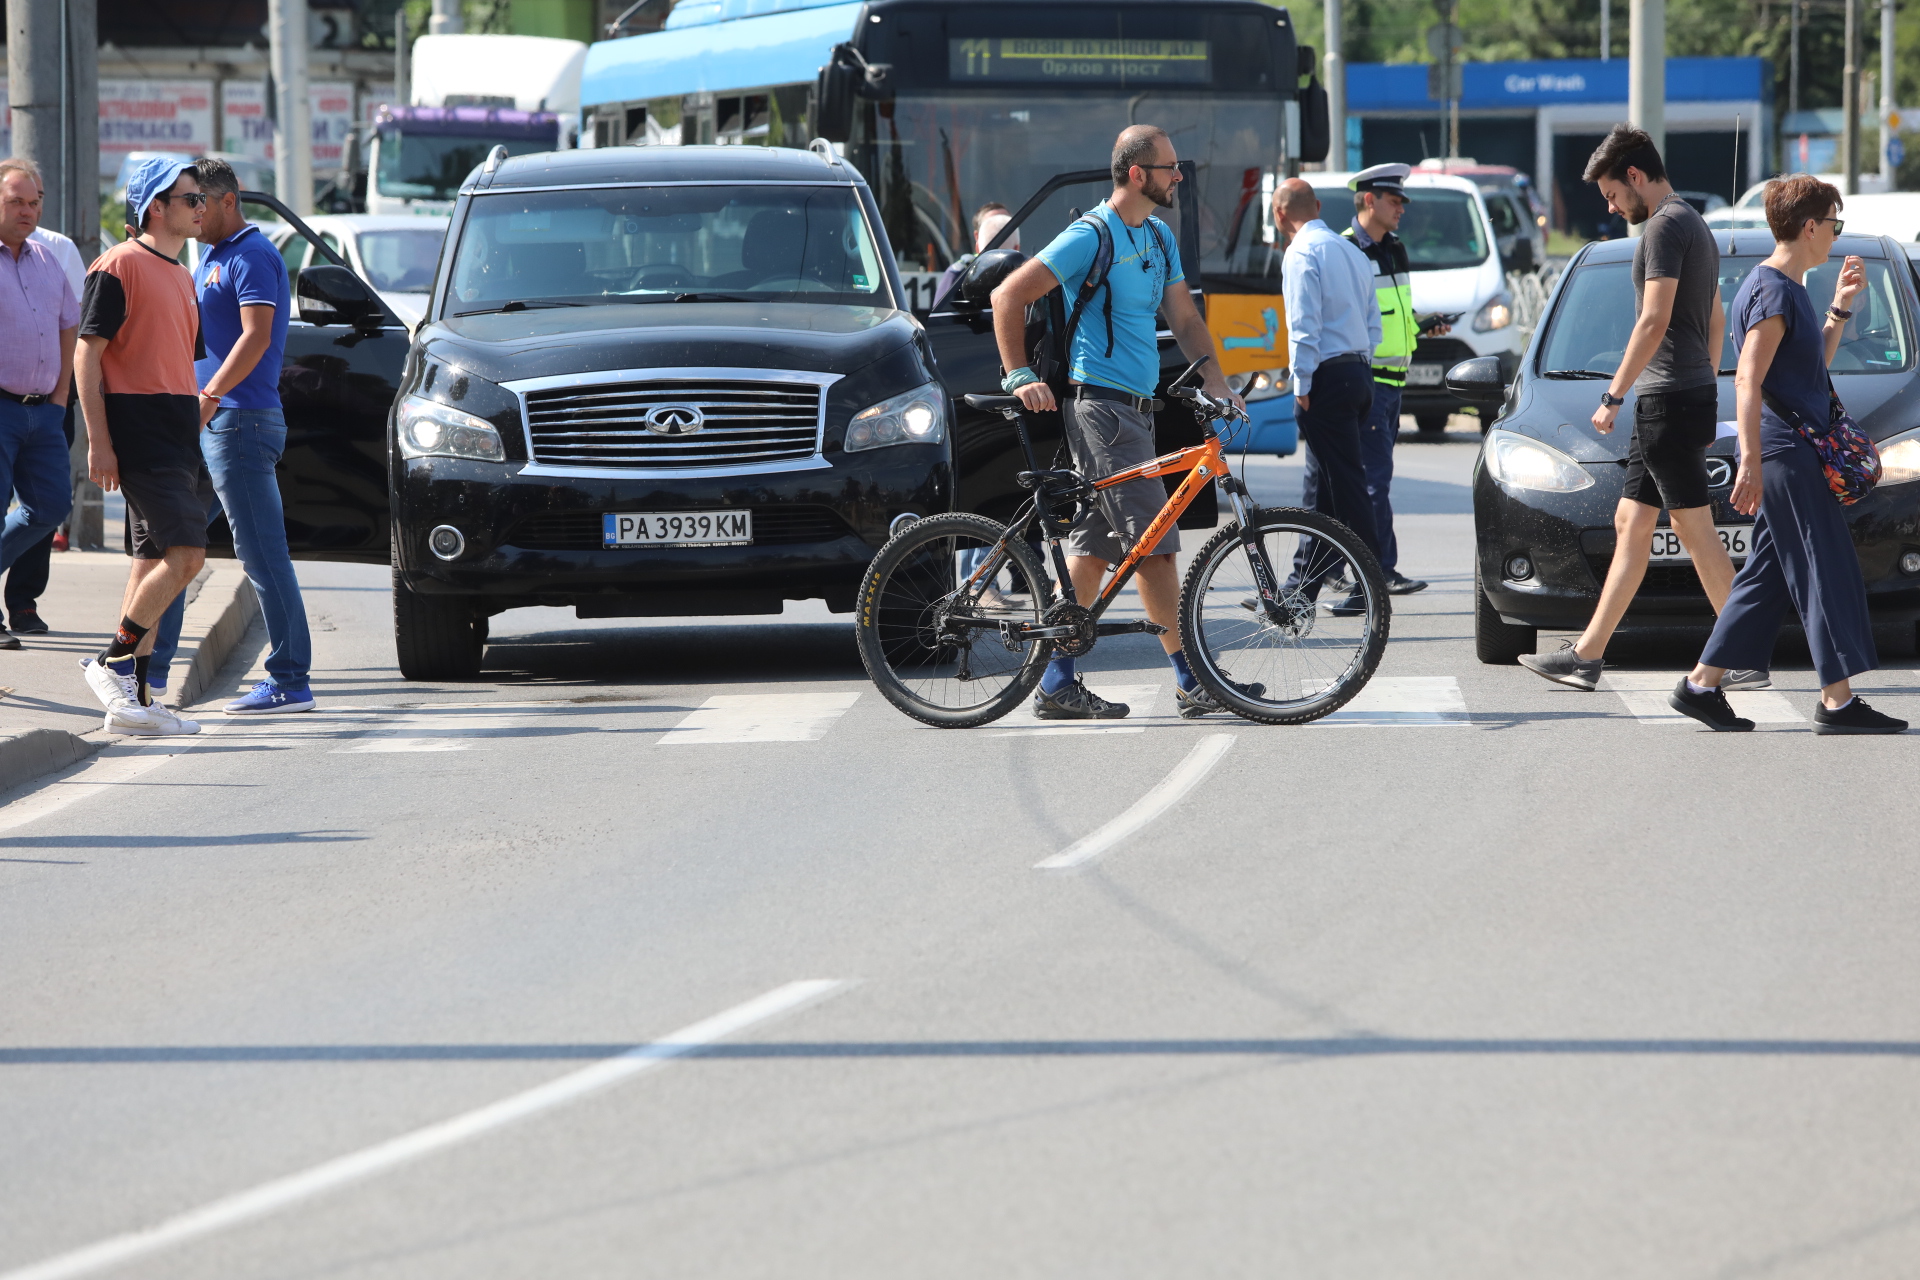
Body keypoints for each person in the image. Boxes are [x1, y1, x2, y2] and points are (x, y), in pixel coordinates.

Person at [989, 125, 1246, 720]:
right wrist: (1018, 375)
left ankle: (1055, 682)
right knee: (1154, 548)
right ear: (1136, 173)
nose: (1179, 176)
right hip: (1101, 408)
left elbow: (1184, 317)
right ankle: (1191, 679)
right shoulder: (1091, 236)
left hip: (1137, 410)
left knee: (1093, 551)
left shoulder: (1157, 237)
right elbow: (1009, 296)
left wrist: (1218, 383)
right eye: (1170, 167)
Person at [1518, 125, 1761, 693]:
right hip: (1681, 391)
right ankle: (1586, 655)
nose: (1609, 204)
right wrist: (1700, 374)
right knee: (1632, 522)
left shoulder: (1663, 227)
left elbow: (1652, 319)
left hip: (1666, 399)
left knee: (1694, 527)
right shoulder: (1693, 223)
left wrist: (1613, 395)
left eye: (1610, 193)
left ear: (1634, 176)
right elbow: (1716, 316)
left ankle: (1744, 650)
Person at [1670, 176, 1906, 735]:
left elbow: (1805, 373)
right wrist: (1749, 460)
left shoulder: (1785, 287)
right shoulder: (1774, 290)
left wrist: (1839, 312)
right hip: (1786, 453)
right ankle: (1838, 702)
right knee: (1826, 567)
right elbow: (1747, 381)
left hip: (1790, 448)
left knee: (1766, 576)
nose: (1834, 235)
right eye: (1833, 225)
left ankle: (1701, 685)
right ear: (1809, 227)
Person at [145, 156, 315, 714]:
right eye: (186, 201)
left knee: (263, 553)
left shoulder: (253, 254)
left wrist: (209, 395)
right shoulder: (213, 255)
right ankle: (147, 672)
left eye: (198, 201)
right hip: (214, 423)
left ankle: (290, 680)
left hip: (239, 422)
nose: (192, 211)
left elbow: (256, 336)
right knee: (177, 548)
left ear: (226, 199)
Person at [74, 156, 209, 736]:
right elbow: (87, 354)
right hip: (138, 430)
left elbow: (175, 355)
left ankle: (139, 701)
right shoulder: (119, 265)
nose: (201, 206)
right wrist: (98, 442)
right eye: (190, 198)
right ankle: (110, 662)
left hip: (176, 429)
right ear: (157, 205)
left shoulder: (180, 272)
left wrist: (199, 408)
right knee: (188, 557)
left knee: (151, 561)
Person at [1273, 178, 1383, 612]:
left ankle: (1370, 582)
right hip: (1357, 372)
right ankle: (1299, 591)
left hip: (1326, 378)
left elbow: (1303, 325)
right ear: (1317, 206)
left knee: (1345, 485)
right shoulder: (1352, 251)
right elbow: (1373, 324)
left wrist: (1301, 384)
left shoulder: (1301, 252)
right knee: (1321, 487)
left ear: (1280, 214)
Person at [3, 158, 87, 636]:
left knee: (50, 506)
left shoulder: (49, 255)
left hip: (48, 411)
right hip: (2, 407)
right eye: (16, 201)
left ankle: (24, 603)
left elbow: (70, 326)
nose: (27, 211)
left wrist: (60, 399)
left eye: (34, 202)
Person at [1341, 163, 1433, 595]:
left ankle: (1339, 569)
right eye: (1394, 201)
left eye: (1401, 202)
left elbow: (1395, 314)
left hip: (1394, 382)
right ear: (1368, 200)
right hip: (1368, 381)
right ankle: (1379, 570)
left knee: (1365, 479)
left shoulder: (1394, 247)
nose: (1401, 209)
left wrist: (1422, 324)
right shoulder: (1346, 250)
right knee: (1373, 480)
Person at [931, 202, 1021, 311]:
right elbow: (940, 320)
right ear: (977, 236)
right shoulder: (958, 275)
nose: (998, 229)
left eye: (1006, 227)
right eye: (991, 225)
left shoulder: (1027, 271)